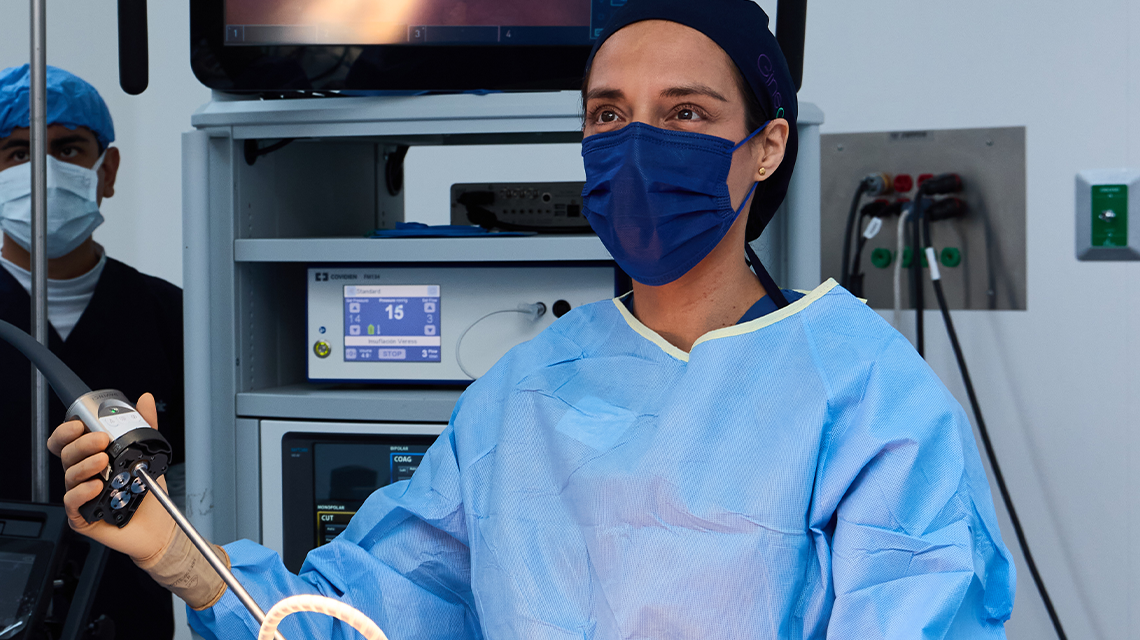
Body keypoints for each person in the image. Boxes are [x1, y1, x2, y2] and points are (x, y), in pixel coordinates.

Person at [48, 1, 1016, 637]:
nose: (638, 143)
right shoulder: (523, 395)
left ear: (765, 148)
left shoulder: (867, 398)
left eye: (684, 114)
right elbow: (358, 616)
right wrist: (176, 552)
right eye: (608, 114)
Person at [0, 64, 183, 639]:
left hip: (127, 610)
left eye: (67, 148)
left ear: (107, 170)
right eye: (17, 153)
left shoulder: (171, 315)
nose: (43, 171)